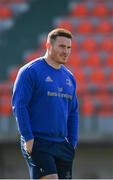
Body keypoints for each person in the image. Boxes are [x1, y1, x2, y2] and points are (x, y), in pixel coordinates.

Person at [12, 28, 78, 179]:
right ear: (48, 45)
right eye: (62, 46)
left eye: (69, 47)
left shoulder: (69, 77)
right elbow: (20, 106)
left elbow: (73, 112)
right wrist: (28, 138)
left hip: (62, 145)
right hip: (38, 142)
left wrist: (72, 143)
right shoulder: (30, 71)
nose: (66, 51)